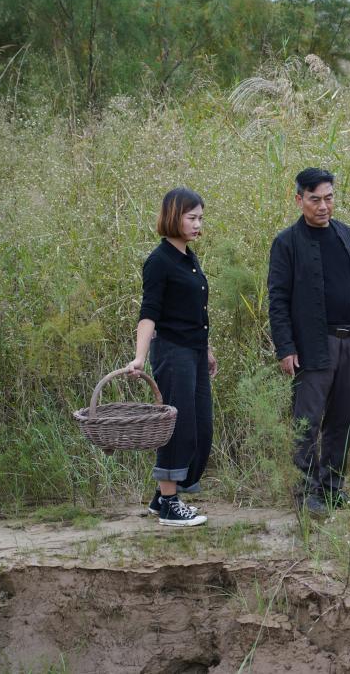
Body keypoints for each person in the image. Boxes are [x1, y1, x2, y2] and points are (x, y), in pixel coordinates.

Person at [268, 168, 350, 514]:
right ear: (299, 200)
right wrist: (286, 347)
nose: (323, 206)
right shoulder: (287, 243)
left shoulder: (345, 233)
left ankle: (332, 488)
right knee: (307, 421)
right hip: (312, 345)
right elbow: (278, 299)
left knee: (343, 419)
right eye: (315, 199)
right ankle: (306, 492)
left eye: (329, 198)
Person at [127, 187, 217, 527]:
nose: (198, 225)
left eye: (200, 218)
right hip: (172, 353)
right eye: (191, 218)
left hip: (194, 352)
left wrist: (206, 349)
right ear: (173, 216)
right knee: (177, 427)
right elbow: (149, 313)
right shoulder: (159, 261)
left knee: (201, 427)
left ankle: (161, 496)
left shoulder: (189, 259)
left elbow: (194, 312)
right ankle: (169, 504)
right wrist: (139, 357)